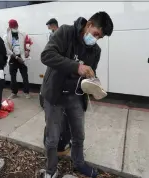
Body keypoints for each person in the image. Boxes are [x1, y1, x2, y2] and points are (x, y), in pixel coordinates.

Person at [39, 12, 114, 178]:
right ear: (88, 24)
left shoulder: (95, 50)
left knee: (79, 134)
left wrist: (93, 83)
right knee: (52, 138)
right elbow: (46, 55)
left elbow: (88, 74)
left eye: (100, 37)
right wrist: (77, 67)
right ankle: (51, 170)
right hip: (55, 94)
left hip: (75, 96)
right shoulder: (65, 32)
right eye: (96, 34)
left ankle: (79, 162)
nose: (96, 39)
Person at [41, 18, 72, 158]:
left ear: (53, 25)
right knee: (55, 123)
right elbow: (47, 56)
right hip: (53, 88)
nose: (49, 28)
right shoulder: (56, 35)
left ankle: (59, 145)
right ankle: (54, 147)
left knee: (61, 122)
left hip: (60, 86)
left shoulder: (60, 34)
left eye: (49, 26)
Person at [4, 19, 32, 99]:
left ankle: (26, 92)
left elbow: (28, 42)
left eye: (16, 26)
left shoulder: (23, 34)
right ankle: (14, 93)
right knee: (13, 77)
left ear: (17, 26)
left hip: (22, 57)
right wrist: (16, 57)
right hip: (13, 57)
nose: (15, 28)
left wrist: (27, 50)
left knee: (25, 76)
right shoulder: (6, 36)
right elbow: (7, 49)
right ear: (10, 27)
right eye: (13, 27)